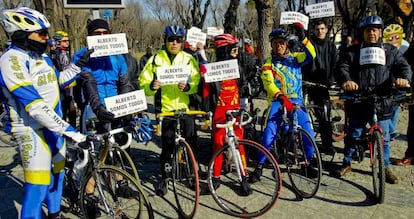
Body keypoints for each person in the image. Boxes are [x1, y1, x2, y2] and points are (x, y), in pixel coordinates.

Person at [0, 7, 92, 219]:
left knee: (57, 176)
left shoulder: (40, 57)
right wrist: (71, 131)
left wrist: (78, 65)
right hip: (32, 130)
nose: (46, 38)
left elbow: (57, 81)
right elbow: (34, 105)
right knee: (38, 186)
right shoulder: (11, 60)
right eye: (41, 33)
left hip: (53, 128)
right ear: (22, 33)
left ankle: (55, 214)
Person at [336, 15, 412, 184]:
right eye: (368, 30)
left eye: (375, 30)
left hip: (383, 100)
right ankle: (347, 162)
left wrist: (404, 79)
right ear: (363, 32)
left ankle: (384, 167)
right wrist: (347, 81)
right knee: (354, 135)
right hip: (359, 99)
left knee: (384, 139)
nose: (371, 33)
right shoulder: (352, 51)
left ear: (380, 32)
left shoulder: (390, 51)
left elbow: (404, 66)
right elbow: (342, 67)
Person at [250, 23, 317, 182]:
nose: (278, 46)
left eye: (281, 43)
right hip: (278, 101)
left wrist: (303, 37)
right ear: (271, 45)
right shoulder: (268, 63)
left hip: (297, 101)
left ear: (286, 43)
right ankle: (259, 166)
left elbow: (311, 55)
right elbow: (268, 83)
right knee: (268, 134)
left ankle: (308, 162)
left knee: (309, 134)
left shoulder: (295, 58)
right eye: (275, 43)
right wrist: (281, 97)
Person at [139, 24, 200, 196]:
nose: (174, 43)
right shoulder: (155, 59)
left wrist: (188, 86)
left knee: (191, 143)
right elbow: (143, 83)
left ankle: (189, 174)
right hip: (165, 110)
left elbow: (196, 81)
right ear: (165, 41)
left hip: (185, 109)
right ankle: (165, 177)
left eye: (178, 40)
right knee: (167, 146)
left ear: (182, 42)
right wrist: (151, 86)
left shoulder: (189, 59)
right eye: (170, 40)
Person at [202, 33, 251, 195]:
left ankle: (243, 177)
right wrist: (203, 78)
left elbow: (244, 88)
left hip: (235, 111)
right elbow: (206, 94)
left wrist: (246, 103)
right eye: (233, 51)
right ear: (224, 51)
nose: (236, 53)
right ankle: (215, 178)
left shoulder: (238, 68)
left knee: (240, 144)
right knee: (217, 145)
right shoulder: (213, 70)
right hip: (219, 113)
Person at [302, 19, 338, 153]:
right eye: (317, 29)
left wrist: (331, 79)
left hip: (324, 83)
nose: (320, 31)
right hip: (308, 82)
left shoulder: (331, 46)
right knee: (303, 112)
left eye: (322, 29)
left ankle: (327, 145)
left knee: (324, 115)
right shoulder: (309, 44)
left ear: (326, 30)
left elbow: (335, 64)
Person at [382, 24, 409, 141]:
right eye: (390, 38)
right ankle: (391, 130)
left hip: (400, 82)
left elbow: (406, 66)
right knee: (390, 107)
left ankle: (390, 130)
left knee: (394, 107)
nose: (393, 40)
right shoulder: (384, 48)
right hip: (388, 81)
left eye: (396, 37)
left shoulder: (405, 47)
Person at [52, 30, 78, 128]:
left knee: (65, 107)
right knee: (69, 106)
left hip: (62, 84)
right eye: (64, 41)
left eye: (68, 40)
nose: (67, 42)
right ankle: (72, 128)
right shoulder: (61, 53)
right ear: (58, 42)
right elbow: (64, 68)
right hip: (67, 84)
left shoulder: (58, 52)